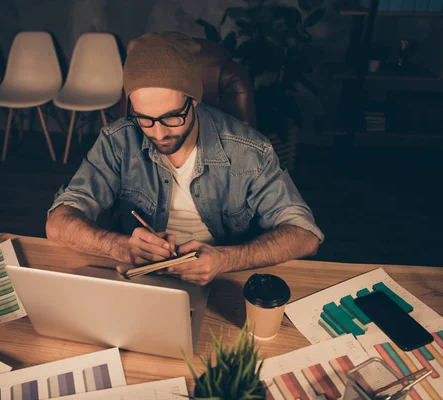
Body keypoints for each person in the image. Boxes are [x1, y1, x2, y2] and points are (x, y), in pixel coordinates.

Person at [46, 31, 324, 286]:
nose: (158, 133)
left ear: (194, 100)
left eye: (171, 117)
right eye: (144, 119)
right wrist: (120, 247)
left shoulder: (249, 149)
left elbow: (304, 234)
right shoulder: (118, 140)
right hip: (142, 280)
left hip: (222, 279)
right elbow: (58, 223)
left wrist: (225, 259)